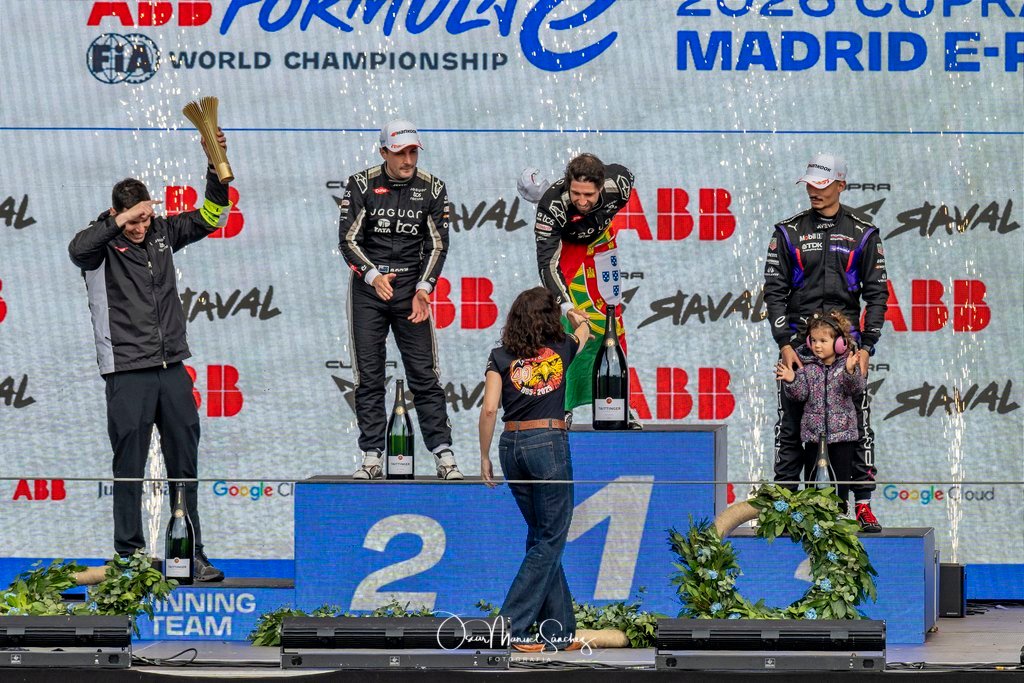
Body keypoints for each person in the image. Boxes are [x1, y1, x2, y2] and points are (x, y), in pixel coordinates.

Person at [68, 130, 229, 580]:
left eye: (145, 219)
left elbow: (212, 216)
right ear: (117, 215)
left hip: (171, 367)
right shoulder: (99, 245)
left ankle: (189, 555)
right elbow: (76, 250)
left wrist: (214, 165)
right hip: (126, 372)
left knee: (185, 465)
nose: (141, 229)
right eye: (132, 222)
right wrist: (117, 223)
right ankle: (129, 559)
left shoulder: (161, 232)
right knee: (129, 469)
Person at [763, 153, 888, 532]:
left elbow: (877, 295)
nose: (814, 192)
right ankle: (785, 506)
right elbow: (774, 292)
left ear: (840, 184)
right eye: (810, 185)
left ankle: (862, 504)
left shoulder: (863, 233)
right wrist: (785, 344)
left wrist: (866, 348)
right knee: (790, 429)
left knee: (857, 428)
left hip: (845, 350)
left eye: (822, 185)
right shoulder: (788, 232)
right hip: (799, 348)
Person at [339, 119, 462, 480]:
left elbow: (438, 244)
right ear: (383, 153)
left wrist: (424, 288)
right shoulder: (361, 184)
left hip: (411, 289)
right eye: (400, 153)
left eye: (412, 152)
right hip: (369, 288)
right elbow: (347, 240)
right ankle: (372, 456)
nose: (408, 160)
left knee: (424, 373)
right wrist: (373, 276)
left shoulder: (432, 187)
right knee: (369, 374)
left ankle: (443, 454)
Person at [480, 287, 590, 652]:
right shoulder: (562, 348)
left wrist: (483, 456)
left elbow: (490, 409)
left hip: (510, 445)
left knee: (541, 535)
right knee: (551, 537)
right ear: (549, 319)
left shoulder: (499, 356)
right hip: (548, 442)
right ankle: (510, 626)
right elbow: (585, 331)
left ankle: (559, 630)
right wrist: (573, 315)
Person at [518, 155, 640, 429]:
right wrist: (567, 306)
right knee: (563, 324)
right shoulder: (551, 206)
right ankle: (561, 407)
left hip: (601, 247)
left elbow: (624, 180)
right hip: (568, 250)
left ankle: (619, 405)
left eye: (589, 195)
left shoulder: (620, 184)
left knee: (611, 321)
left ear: (601, 187)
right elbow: (547, 264)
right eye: (576, 193)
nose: (582, 201)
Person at [775, 311, 874, 527]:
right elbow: (800, 394)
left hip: (843, 436)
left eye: (823, 341)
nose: (817, 346)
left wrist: (850, 372)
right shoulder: (807, 367)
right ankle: (813, 514)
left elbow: (856, 388)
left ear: (839, 343)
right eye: (814, 340)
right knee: (813, 476)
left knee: (840, 476)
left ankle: (841, 511)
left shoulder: (847, 364)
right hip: (814, 435)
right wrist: (791, 380)